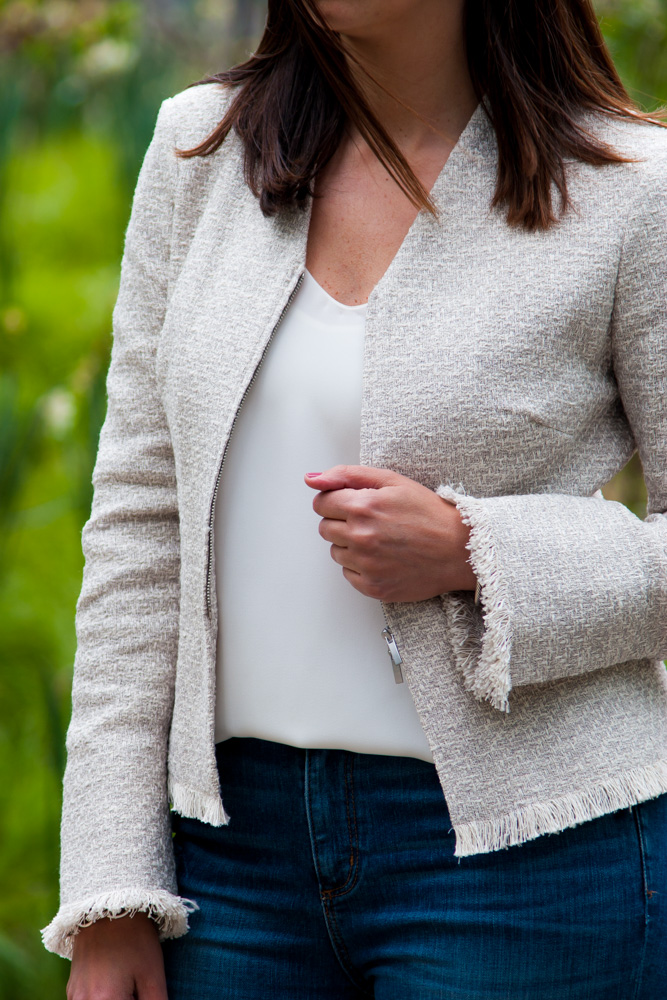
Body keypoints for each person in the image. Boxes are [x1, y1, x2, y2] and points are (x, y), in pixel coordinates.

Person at [44, 0, 667, 997]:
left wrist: (481, 551)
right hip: (225, 868)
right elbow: (137, 528)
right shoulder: (197, 151)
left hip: (533, 869)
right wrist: (111, 886)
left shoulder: (633, 193)